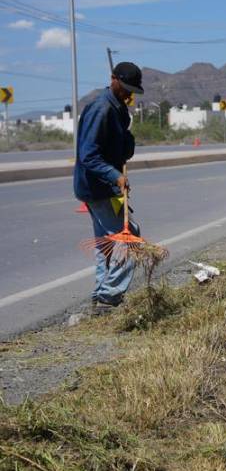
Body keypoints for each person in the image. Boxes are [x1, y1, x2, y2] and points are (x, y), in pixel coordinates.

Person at [74, 61, 142, 313]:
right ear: (112, 79)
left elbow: (124, 149)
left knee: (107, 243)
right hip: (98, 188)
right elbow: (88, 156)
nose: (127, 93)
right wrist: (115, 176)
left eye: (131, 90)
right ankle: (109, 296)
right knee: (130, 237)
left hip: (106, 187)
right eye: (124, 87)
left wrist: (127, 131)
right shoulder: (102, 109)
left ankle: (101, 295)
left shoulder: (117, 109)